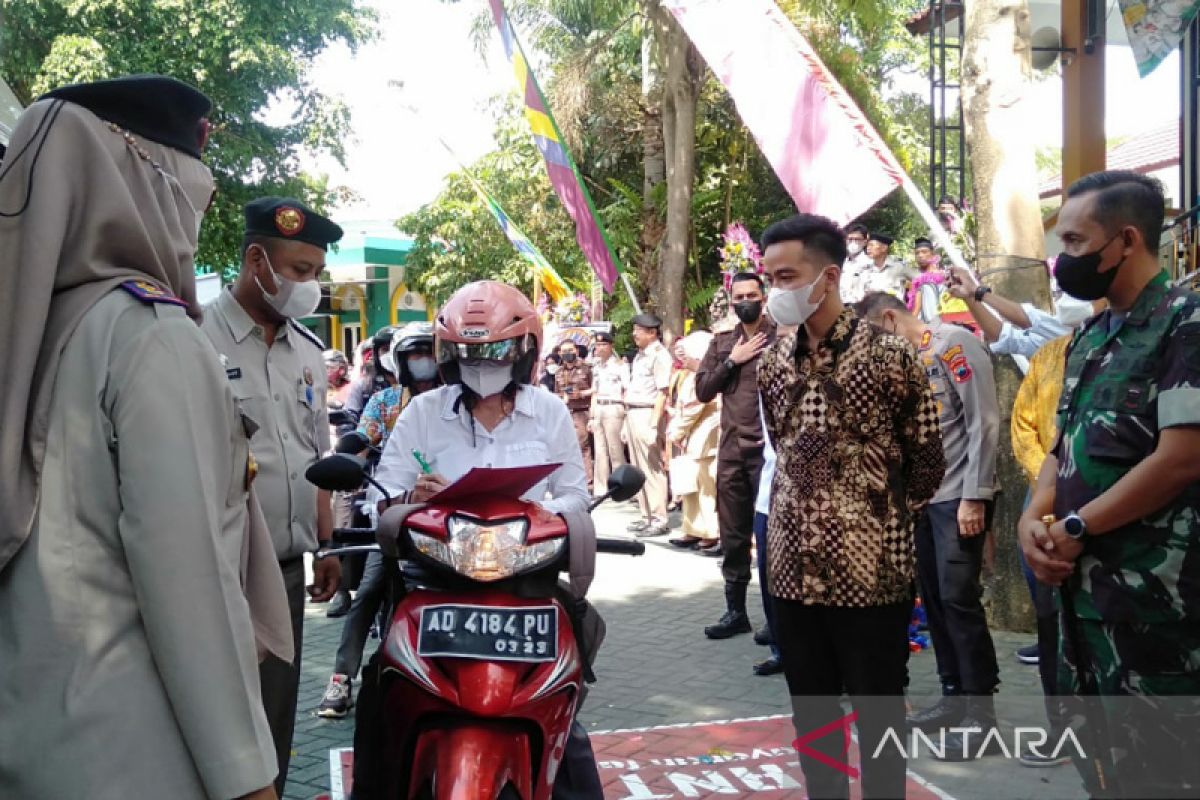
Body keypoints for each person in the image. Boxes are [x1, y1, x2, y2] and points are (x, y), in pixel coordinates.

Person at [0, 76, 280, 800]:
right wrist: (247, 777)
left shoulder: (32, 333)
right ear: (144, 183)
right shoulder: (148, 335)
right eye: (194, 193)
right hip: (139, 755)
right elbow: (187, 581)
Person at [359, 280, 598, 799]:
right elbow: (377, 499)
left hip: (528, 584)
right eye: (467, 353)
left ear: (525, 352)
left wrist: (530, 513)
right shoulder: (421, 414)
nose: (481, 363)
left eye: (494, 351)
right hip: (435, 584)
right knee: (381, 692)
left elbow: (576, 496)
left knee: (563, 704)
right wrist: (409, 498)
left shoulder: (549, 410)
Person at [1019, 170, 1200, 797]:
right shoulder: (1090, 338)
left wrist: (1076, 526)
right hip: (1085, 614)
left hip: (1159, 616)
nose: (1060, 258)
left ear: (1125, 240)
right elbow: (1061, 448)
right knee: (1104, 773)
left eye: (1073, 241)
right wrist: (1031, 519)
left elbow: (1182, 456)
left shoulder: (1186, 324)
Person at [757, 214, 945, 799]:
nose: (775, 290)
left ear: (829, 275)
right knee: (813, 716)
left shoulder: (891, 356)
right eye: (770, 277)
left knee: (879, 714)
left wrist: (873, 516)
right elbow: (782, 450)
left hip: (872, 576)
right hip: (790, 572)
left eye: (786, 276)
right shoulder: (771, 362)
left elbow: (927, 462)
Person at [201, 196, 342, 795]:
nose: (309, 286)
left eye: (316, 272)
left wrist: (328, 546)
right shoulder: (193, 336)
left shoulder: (307, 353)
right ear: (257, 260)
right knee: (215, 721)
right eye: (299, 272)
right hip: (216, 571)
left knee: (275, 721)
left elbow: (314, 460)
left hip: (284, 573)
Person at [857, 292, 1001, 760]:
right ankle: (953, 694)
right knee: (935, 602)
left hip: (960, 496)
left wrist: (976, 495)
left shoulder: (953, 345)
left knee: (960, 601)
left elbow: (984, 421)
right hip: (922, 500)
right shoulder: (904, 361)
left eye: (878, 336)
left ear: (890, 317)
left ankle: (982, 716)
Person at [316, 322, 442, 719]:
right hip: (392, 512)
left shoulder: (456, 405)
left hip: (448, 523)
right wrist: (349, 462)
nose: (421, 363)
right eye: (413, 355)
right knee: (369, 590)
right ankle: (341, 677)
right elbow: (361, 443)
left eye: (428, 353)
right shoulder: (385, 402)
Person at [695, 271, 778, 637]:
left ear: (764, 297)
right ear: (731, 302)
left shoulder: (781, 337)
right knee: (733, 534)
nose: (746, 300)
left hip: (771, 454)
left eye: (752, 294)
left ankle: (777, 619)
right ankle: (735, 612)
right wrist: (734, 359)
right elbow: (702, 390)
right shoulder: (722, 342)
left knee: (774, 538)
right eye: (739, 295)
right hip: (732, 451)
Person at [945, 263, 1096, 358]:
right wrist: (969, 297)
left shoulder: (1103, 335)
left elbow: (1029, 320)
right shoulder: (1061, 339)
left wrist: (977, 291)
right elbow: (1003, 336)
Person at [666, 331, 720, 551]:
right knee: (691, 486)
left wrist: (676, 432)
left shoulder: (707, 376)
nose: (683, 357)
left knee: (707, 488)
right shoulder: (689, 375)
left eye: (687, 353)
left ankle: (711, 532)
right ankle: (693, 529)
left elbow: (693, 408)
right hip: (692, 436)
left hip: (707, 436)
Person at [624, 313, 673, 537]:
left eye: (639, 330)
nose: (634, 333)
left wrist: (654, 425)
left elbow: (663, 393)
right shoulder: (640, 356)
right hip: (633, 412)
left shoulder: (660, 355)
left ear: (652, 333)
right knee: (638, 467)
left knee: (651, 468)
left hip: (647, 414)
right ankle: (647, 516)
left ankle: (659, 518)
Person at [589, 330, 629, 495]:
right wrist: (591, 416)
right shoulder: (597, 366)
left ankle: (621, 487)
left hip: (614, 407)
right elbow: (594, 391)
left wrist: (626, 416)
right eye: (598, 344)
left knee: (615, 450)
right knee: (599, 451)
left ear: (611, 346)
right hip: (599, 407)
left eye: (604, 344)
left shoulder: (620, 365)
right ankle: (601, 489)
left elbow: (626, 390)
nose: (600, 347)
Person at [556, 339, 595, 485]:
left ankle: (587, 480)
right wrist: (562, 397)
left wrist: (581, 394)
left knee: (582, 446)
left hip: (582, 411)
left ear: (576, 351)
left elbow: (596, 390)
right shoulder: (559, 372)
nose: (568, 354)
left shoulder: (587, 368)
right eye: (564, 351)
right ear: (559, 353)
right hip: (566, 412)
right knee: (568, 446)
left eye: (570, 350)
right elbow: (557, 392)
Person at [859, 231, 917, 300]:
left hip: (894, 308)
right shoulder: (865, 270)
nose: (868, 248)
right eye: (868, 245)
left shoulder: (899, 267)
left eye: (872, 245)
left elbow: (923, 279)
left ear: (884, 248)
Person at [839, 222, 873, 304]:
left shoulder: (869, 264)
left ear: (865, 242)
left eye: (857, 239)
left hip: (855, 310)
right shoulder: (841, 262)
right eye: (850, 239)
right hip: (836, 307)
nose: (853, 242)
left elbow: (868, 294)